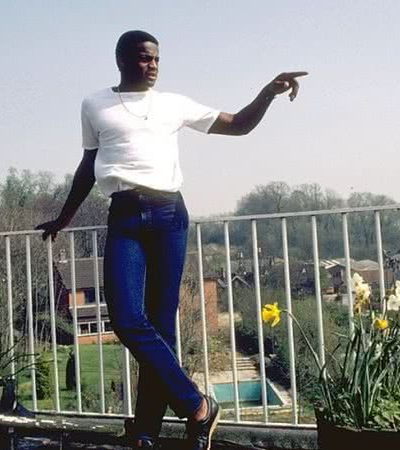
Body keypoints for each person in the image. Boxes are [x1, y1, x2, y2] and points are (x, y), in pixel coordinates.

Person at [36, 30, 306, 450]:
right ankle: (198, 406)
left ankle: (149, 431)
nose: (154, 65)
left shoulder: (173, 104)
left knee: (162, 328)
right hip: (124, 216)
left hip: (169, 216)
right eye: (145, 58)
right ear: (122, 60)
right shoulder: (95, 104)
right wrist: (64, 218)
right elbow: (87, 166)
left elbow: (239, 125)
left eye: (157, 58)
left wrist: (268, 93)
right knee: (126, 319)